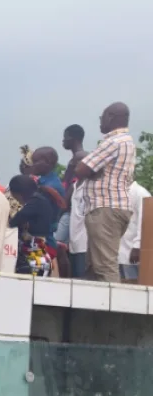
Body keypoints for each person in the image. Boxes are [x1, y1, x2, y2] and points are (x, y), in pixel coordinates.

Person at [75, 102, 136, 283]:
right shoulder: (127, 141)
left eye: (102, 118)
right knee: (94, 268)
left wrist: (91, 170)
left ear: (110, 117)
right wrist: (93, 170)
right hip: (113, 206)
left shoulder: (113, 142)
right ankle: (94, 310)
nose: (100, 122)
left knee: (104, 267)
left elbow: (81, 169)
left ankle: (113, 310)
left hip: (106, 208)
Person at [8, 175, 56, 276]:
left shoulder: (35, 202)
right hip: (41, 247)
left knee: (36, 279)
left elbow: (15, 221)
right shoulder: (41, 200)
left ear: (18, 194)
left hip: (35, 249)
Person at [119, 181, 151, 280]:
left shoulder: (140, 193)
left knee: (133, 287)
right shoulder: (119, 192)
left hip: (132, 251)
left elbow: (145, 221)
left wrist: (137, 247)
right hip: (119, 251)